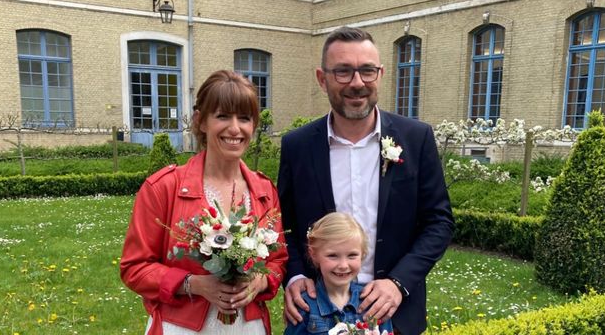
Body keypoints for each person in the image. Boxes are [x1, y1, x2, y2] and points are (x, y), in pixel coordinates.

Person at [278, 26, 454, 335]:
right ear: (322, 78)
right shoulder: (298, 146)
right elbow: (283, 226)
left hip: (394, 312)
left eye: (367, 71)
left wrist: (398, 283)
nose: (357, 83)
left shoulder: (416, 138)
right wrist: (294, 276)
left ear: (380, 74)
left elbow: (439, 222)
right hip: (318, 314)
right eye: (343, 72)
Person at [121, 70, 287, 335]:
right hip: (181, 327)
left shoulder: (264, 190)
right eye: (222, 116)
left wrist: (260, 281)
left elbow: (278, 261)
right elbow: (134, 268)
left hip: (248, 326)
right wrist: (194, 284)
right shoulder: (163, 187)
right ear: (201, 121)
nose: (235, 128)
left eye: (244, 118)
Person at [284, 212, 394, 335]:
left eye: (352, 255)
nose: (343, 265)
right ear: (313, 254)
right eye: (333, 256)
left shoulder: (373, 304)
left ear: (362, 254)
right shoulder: (304, 307)